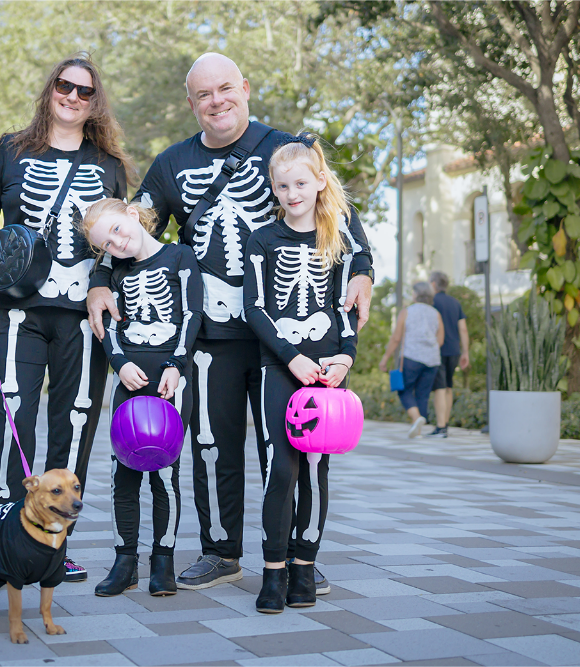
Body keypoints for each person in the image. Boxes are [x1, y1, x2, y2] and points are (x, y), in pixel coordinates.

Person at [87, 53, 374, 592]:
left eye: (225, 89)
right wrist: (101, 277)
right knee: (211, 445)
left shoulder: (288, 149)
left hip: (288, 340)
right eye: (204, 94)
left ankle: (293, 556)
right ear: (190, 103)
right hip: (210, 334)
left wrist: (363, 268)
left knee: (286, 446)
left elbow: (340, 214)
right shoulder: (172, 164)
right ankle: (221, 550)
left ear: (244, 88)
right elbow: (129, 225)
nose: (216, 101)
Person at [0, 54, 132, 588]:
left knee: (76, 423)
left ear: (95, 102)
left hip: (83, 316)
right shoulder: (11, 152)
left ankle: (55, 551)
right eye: (65, 86)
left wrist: (108, 290)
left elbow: (119, 243)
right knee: (11, 421)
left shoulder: (109, 165)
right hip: (17, 311)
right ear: (50, 90)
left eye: (85, 92)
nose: (73, 97)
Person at [243, 134, 358, 613]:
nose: (292, 194)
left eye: (300, 183)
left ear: (318, 182)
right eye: (282, 185)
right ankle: (273, 570)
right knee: (280, 470)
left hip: (328, 371)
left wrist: (346, 357)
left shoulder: (339, 237)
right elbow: (255, 307)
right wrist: (291, 357)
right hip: (280, 366)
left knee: (315, 470)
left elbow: (345, 307)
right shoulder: (263, 239)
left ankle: (304, 566)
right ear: (274, 188)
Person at [80, 198, 203, 597]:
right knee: (123, 474)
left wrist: (176, 364)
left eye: (117, 230)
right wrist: (118, 363)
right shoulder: (114, 272)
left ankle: (162, 561)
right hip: (129, 382)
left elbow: (191, 314)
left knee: (166, 473)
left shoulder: (180, 257)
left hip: (170, 382)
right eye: (107, 244)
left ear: (132, 215)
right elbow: (109, 326)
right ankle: (125, 561)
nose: (117, 244)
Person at [380, 282, 444, 437]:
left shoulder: (407, 312)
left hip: (411, 357)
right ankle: (418, 429)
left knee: (404, 390)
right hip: (432, 360)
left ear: (416, 295)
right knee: (423, 394)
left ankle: (416, 418)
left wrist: (385, 357)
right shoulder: (436, 313)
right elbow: (440, 340)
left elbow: (396, 338)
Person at [428, 271, 469, 437]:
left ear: (433, 284)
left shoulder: (431, 302)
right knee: (448, 387)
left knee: (439, 387)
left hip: (438, 350)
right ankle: (445, 423)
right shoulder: (455, 303)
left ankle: (440, 426)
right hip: (454, 350)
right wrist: (465, 352)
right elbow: (463, 329)